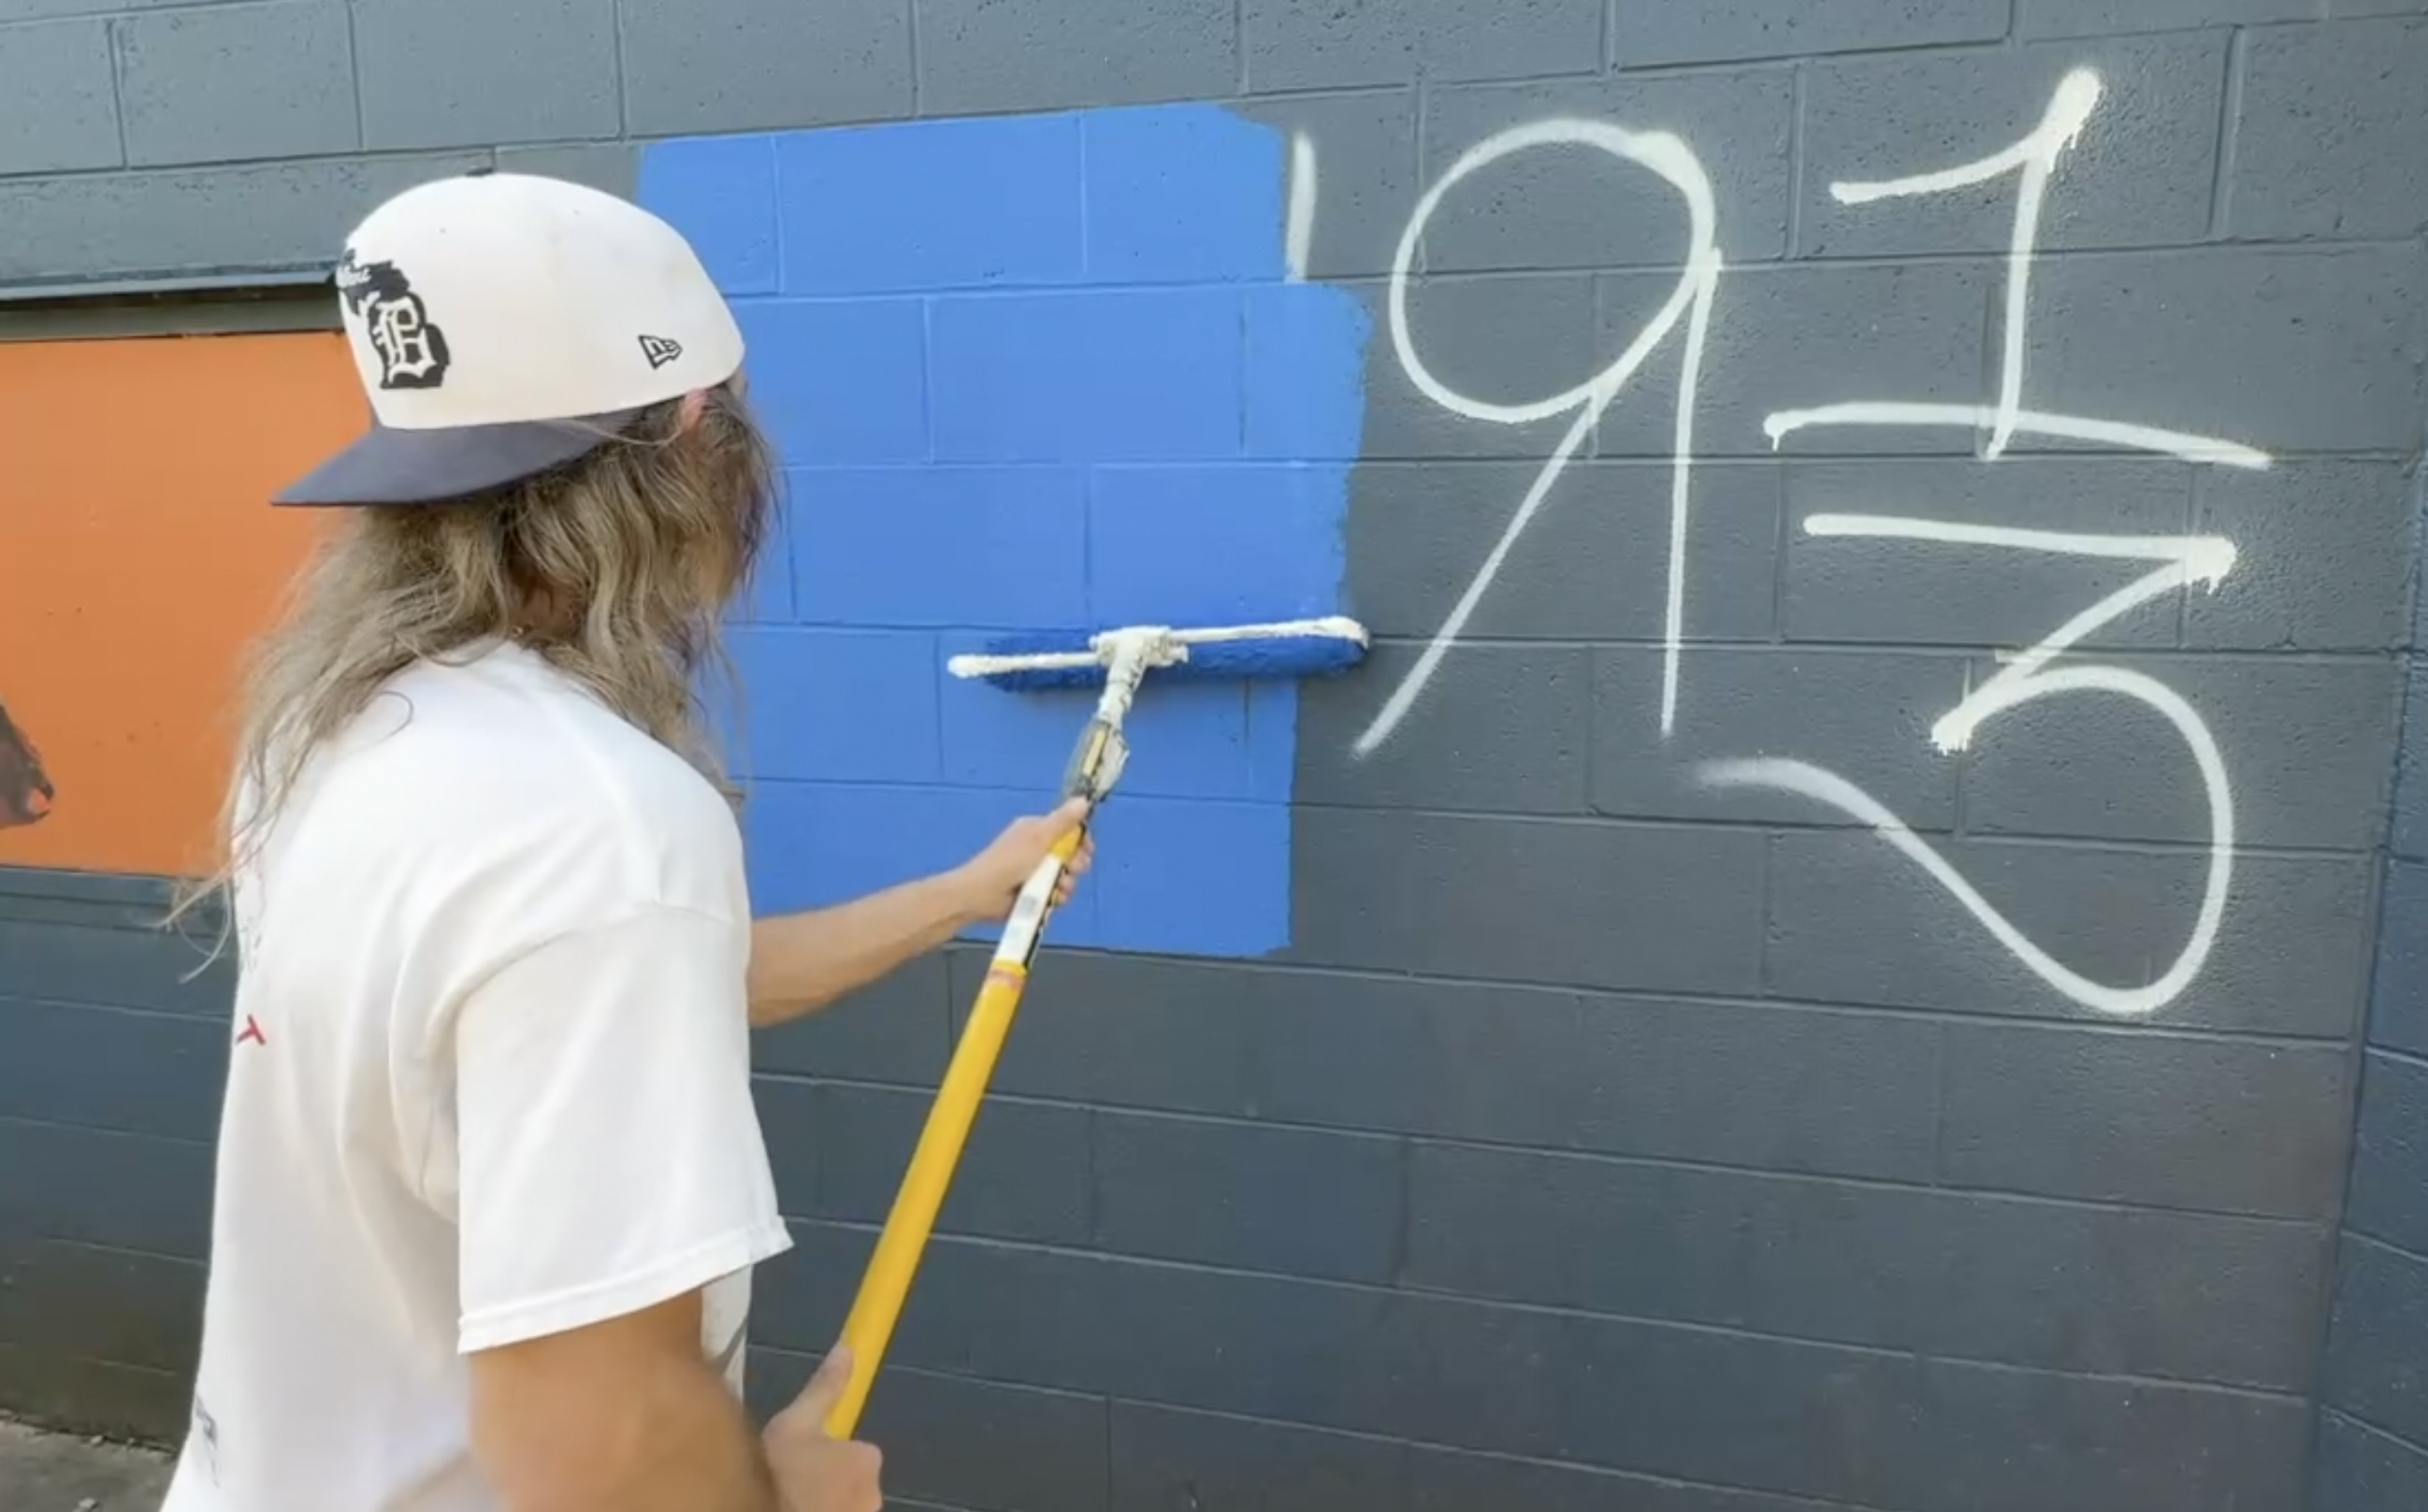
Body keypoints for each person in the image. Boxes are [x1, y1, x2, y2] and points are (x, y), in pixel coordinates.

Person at [158, 169, 1091, 1512]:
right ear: (693, 434)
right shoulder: (595, 824)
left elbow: (616, 990)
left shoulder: (340, 735)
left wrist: (968, 890)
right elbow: (596, 1430)